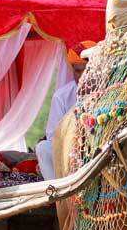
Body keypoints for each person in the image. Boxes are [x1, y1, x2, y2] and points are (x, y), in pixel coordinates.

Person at [36, 41, 95, 180]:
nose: (81, 76)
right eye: (77, 70)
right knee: (43, 148)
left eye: (86, 70)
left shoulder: (109, 90)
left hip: (99, 149)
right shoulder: (62, 96)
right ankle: (57, 195)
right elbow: (52, 136)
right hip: (69, 150)